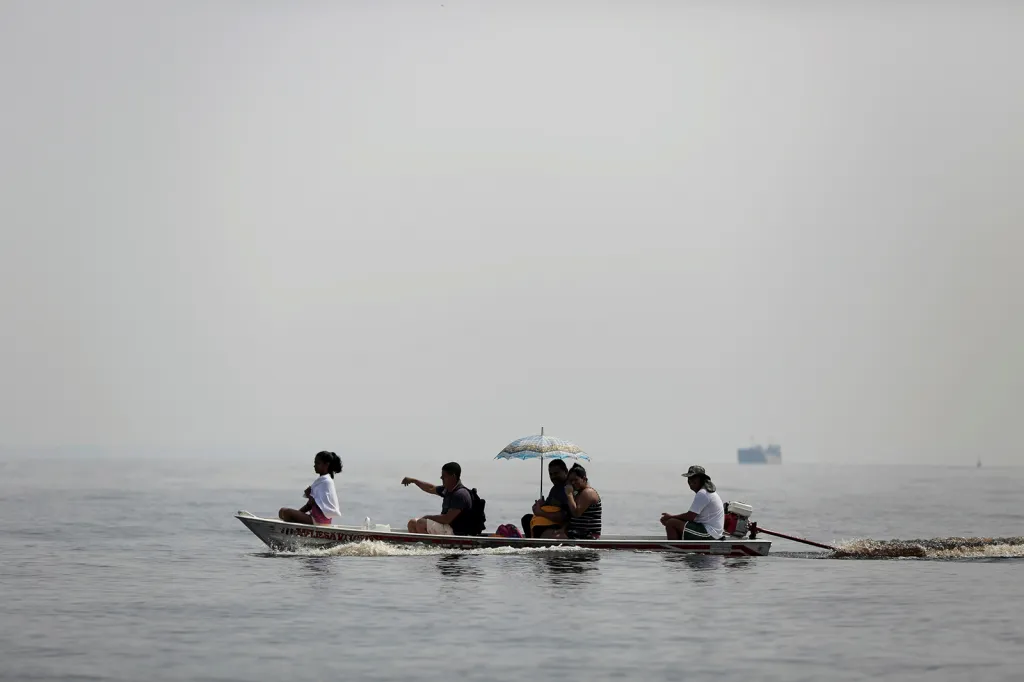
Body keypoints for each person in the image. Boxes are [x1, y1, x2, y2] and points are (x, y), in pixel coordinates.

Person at [402, 462, 474, 535]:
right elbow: (430, 488)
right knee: (412, 523)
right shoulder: (448, 490)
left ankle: (429, 545)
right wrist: (414, 481)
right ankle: (417, 544)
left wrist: (428, 517)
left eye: (444, 476)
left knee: (421, 523)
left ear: (453, 476)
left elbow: (446, 519)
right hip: (446, 527)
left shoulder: (460, 494)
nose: (441, 478)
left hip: (456, 531)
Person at [660, 465, 724, 540]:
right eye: (689, 478)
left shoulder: (703, 493)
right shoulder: (705, 492)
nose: (690, 481)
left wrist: (670, 517)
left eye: (694, 478)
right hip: (710, 531)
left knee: (671, 523)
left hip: (710, 533)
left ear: (701, 479)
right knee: (674, 522)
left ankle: (674, 550)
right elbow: (691, 517)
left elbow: (690, 517)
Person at [279, 450, 343, 525]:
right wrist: (297, 514)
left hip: (319, 520)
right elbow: (309, 505)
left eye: (317, 463)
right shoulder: (321, 481)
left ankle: (293, 531)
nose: (314, 466)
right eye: (315, 463)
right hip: (314, 518)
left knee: (286, 512)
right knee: (282, 512)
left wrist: (309, 495)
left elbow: (319, 504)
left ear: (326, 465)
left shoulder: (326, 481)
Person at [521, 459, 571, 538]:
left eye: (556, 473)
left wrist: (541, 512)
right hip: (548, 521)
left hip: (559, 525)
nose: (553, 477)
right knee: (526, 519)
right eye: (551, 474)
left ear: (566, 471)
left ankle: (534, 543)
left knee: (537, 526)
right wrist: (540, 505)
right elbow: (548, 506)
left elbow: (563, 516)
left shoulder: (568, 489)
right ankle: (530, 542)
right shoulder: (555, 489)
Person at [553, 464, 602, 540]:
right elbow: (571, 517)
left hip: (587, 535)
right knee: (551, 533)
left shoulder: (588, 492)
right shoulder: (578, 493)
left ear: (584, 479)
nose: (573, 483)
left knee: (550, 536)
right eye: (571, 481)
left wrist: (569, 494)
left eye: (576, 480)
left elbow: (576, 513)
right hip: (577, 533)